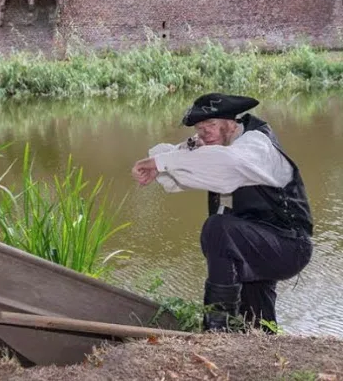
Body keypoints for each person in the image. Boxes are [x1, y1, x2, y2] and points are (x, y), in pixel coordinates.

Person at [131, 93, 313, 332]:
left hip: (289, 245)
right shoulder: (218, 143)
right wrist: (163, 165)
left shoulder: (256, 144)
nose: (204, 132)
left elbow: (227, 164)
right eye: (200, 127)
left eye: (211, 125)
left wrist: (161, 163)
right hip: (253, 244)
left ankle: (217, 328)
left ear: (230, 123)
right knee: (258, 321)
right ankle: (262, 346)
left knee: (218, 227)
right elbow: (189, 156)